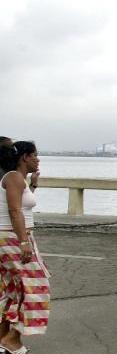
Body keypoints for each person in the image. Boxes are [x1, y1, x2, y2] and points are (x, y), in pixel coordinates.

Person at [0, 141, 51, 353]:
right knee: (38, 287)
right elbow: (14, 211)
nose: (38, 159)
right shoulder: (13, 177)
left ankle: (2, 337)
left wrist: (33, 184)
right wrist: (23, 242)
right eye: (35, 155)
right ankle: (12, 340)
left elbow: (22, 205)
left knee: (12, 289)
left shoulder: (18, 179)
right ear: (24, 157)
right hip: (13, 238)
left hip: (17, 236)